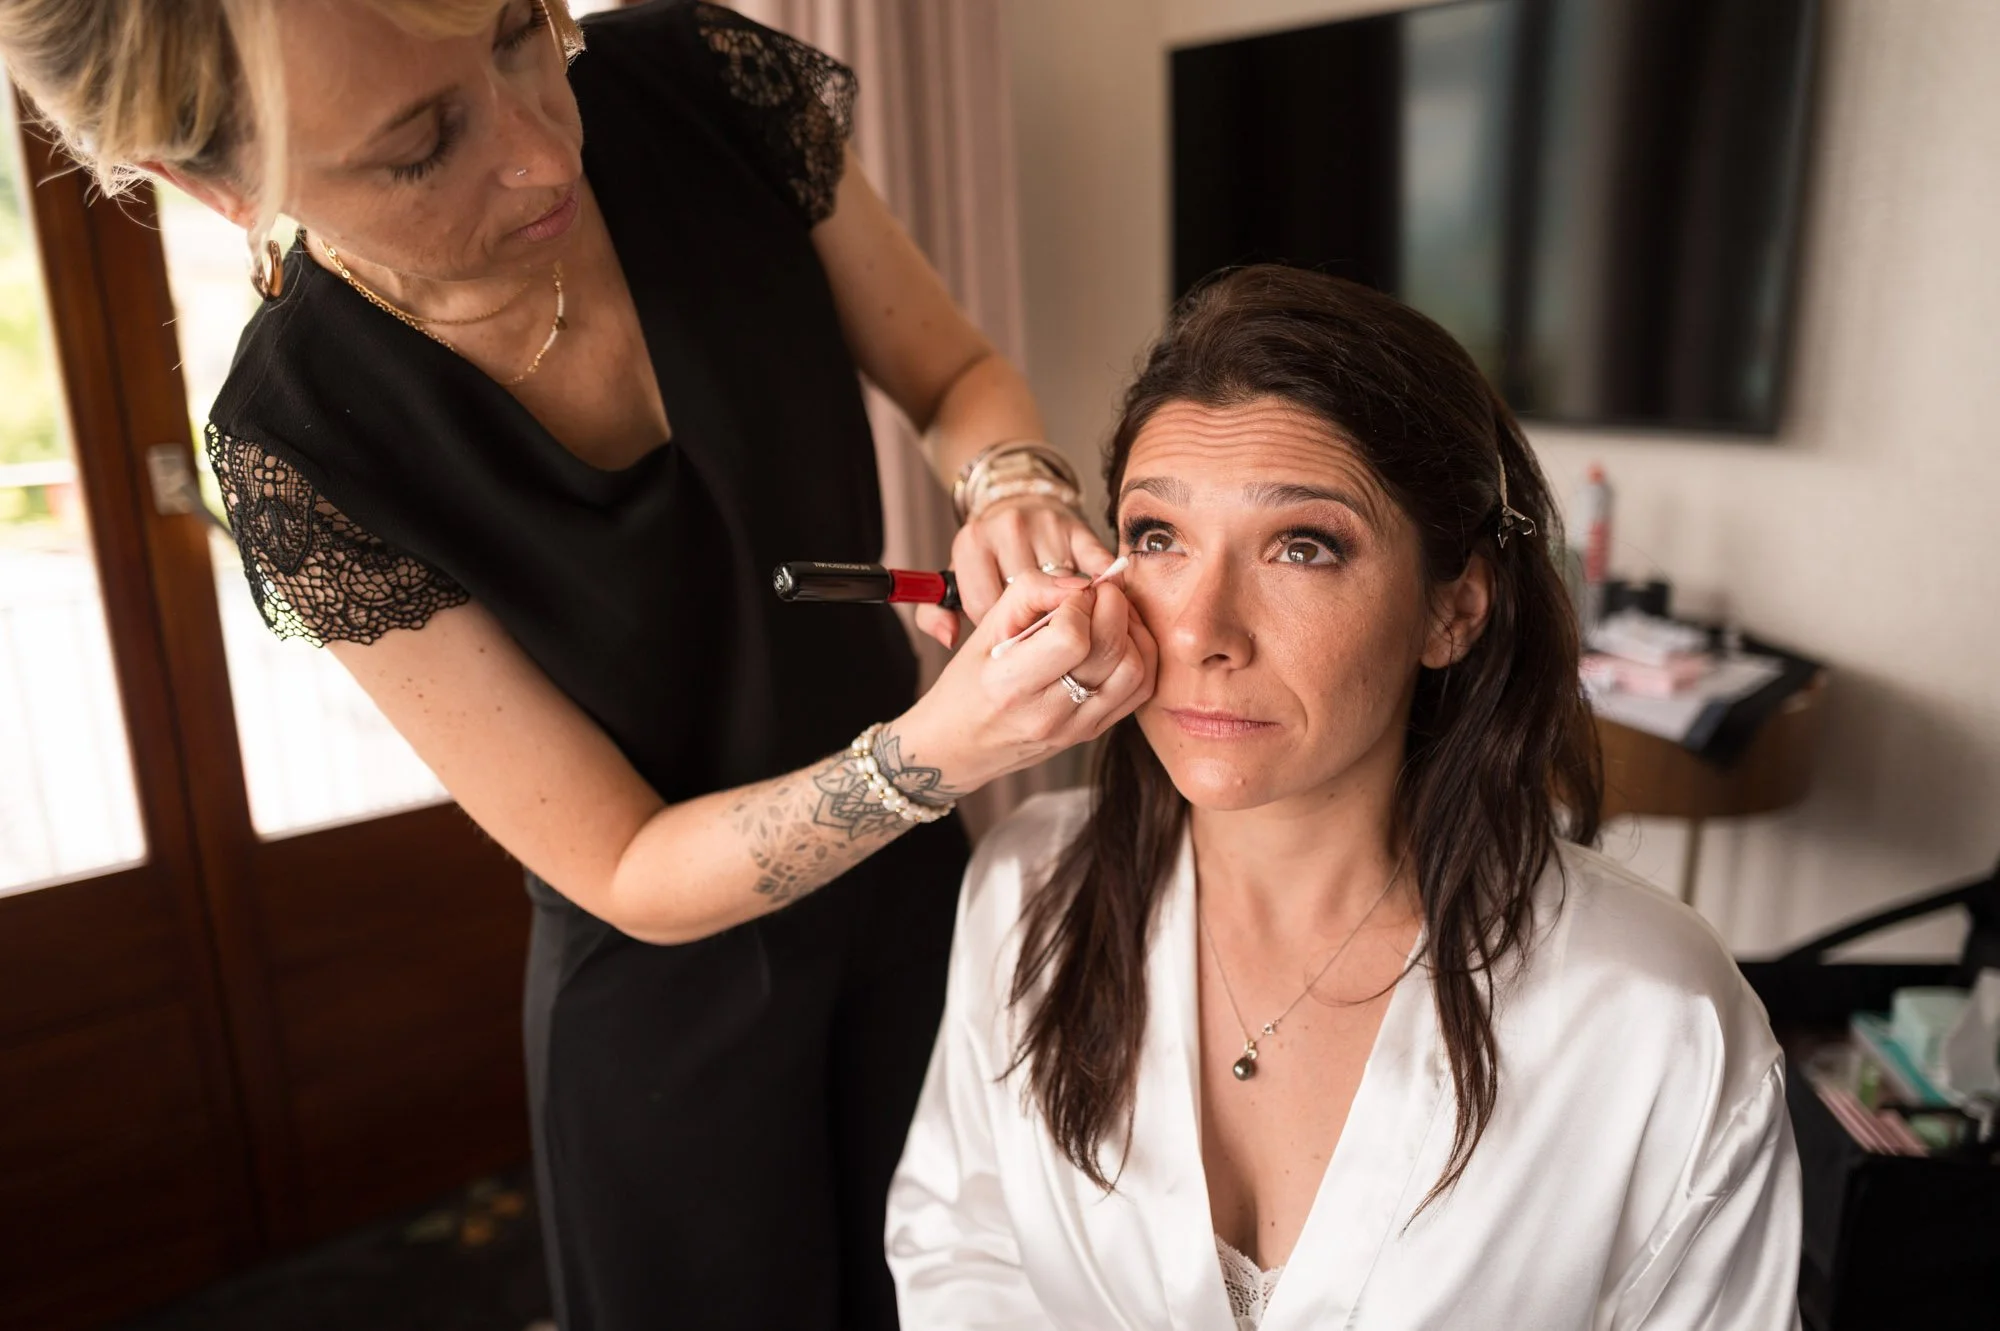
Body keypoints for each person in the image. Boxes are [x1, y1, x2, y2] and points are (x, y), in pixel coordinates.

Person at [0, 2, 1154, 1327]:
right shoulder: (305, 444)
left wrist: (1008, 485)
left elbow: (954, 372)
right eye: (419, 147)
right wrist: (942, 747)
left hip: (920, 920)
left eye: (517, 31)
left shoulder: (699, 86)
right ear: (213, 185)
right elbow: (624, 867)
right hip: (673, 1031)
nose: (548, 150)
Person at [887, 266, 1803, 1330]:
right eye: (1156, 538)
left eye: (1301, 547)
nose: (1199, 630)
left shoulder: (1657, 1015)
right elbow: (959, 1243)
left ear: (1452, 608)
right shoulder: (1024, 885)